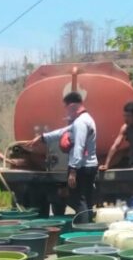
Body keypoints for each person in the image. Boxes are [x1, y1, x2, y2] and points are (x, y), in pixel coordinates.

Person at [27, 91, 98, 220]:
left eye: (66, 108)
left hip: (82, 167)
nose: (66, 112)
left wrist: (73, 171)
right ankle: (88, 228)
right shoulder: (86, 119)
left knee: (78, 199)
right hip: (90, 165)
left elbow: (79, 147)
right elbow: (63, 131)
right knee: (86, 200)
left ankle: (83, 230)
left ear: (71, 106)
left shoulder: (81, 122)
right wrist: (42, 138)